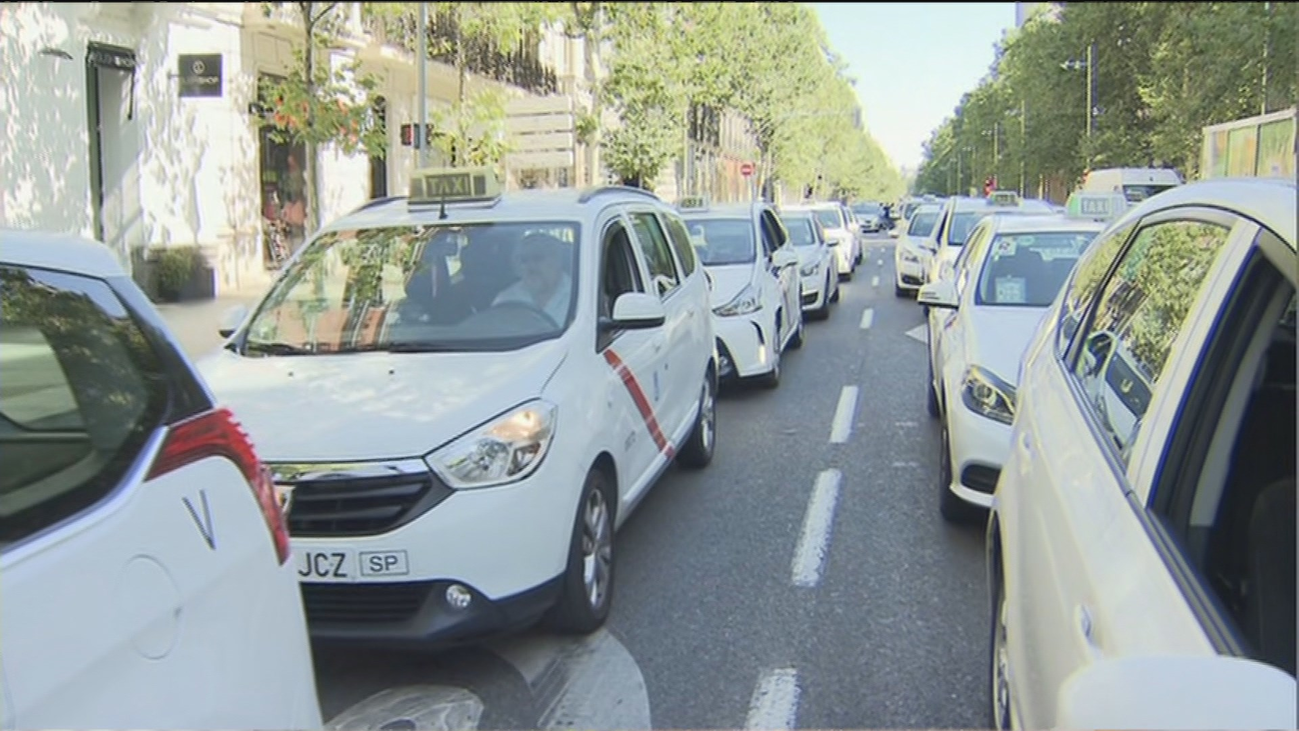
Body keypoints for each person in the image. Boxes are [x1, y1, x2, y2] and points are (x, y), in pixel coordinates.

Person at [492, 232, 573, 326]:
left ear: (557, 260)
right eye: (524, 260)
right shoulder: (505, 299)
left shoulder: (580, 295)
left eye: (537, 258)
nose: (530, 266)